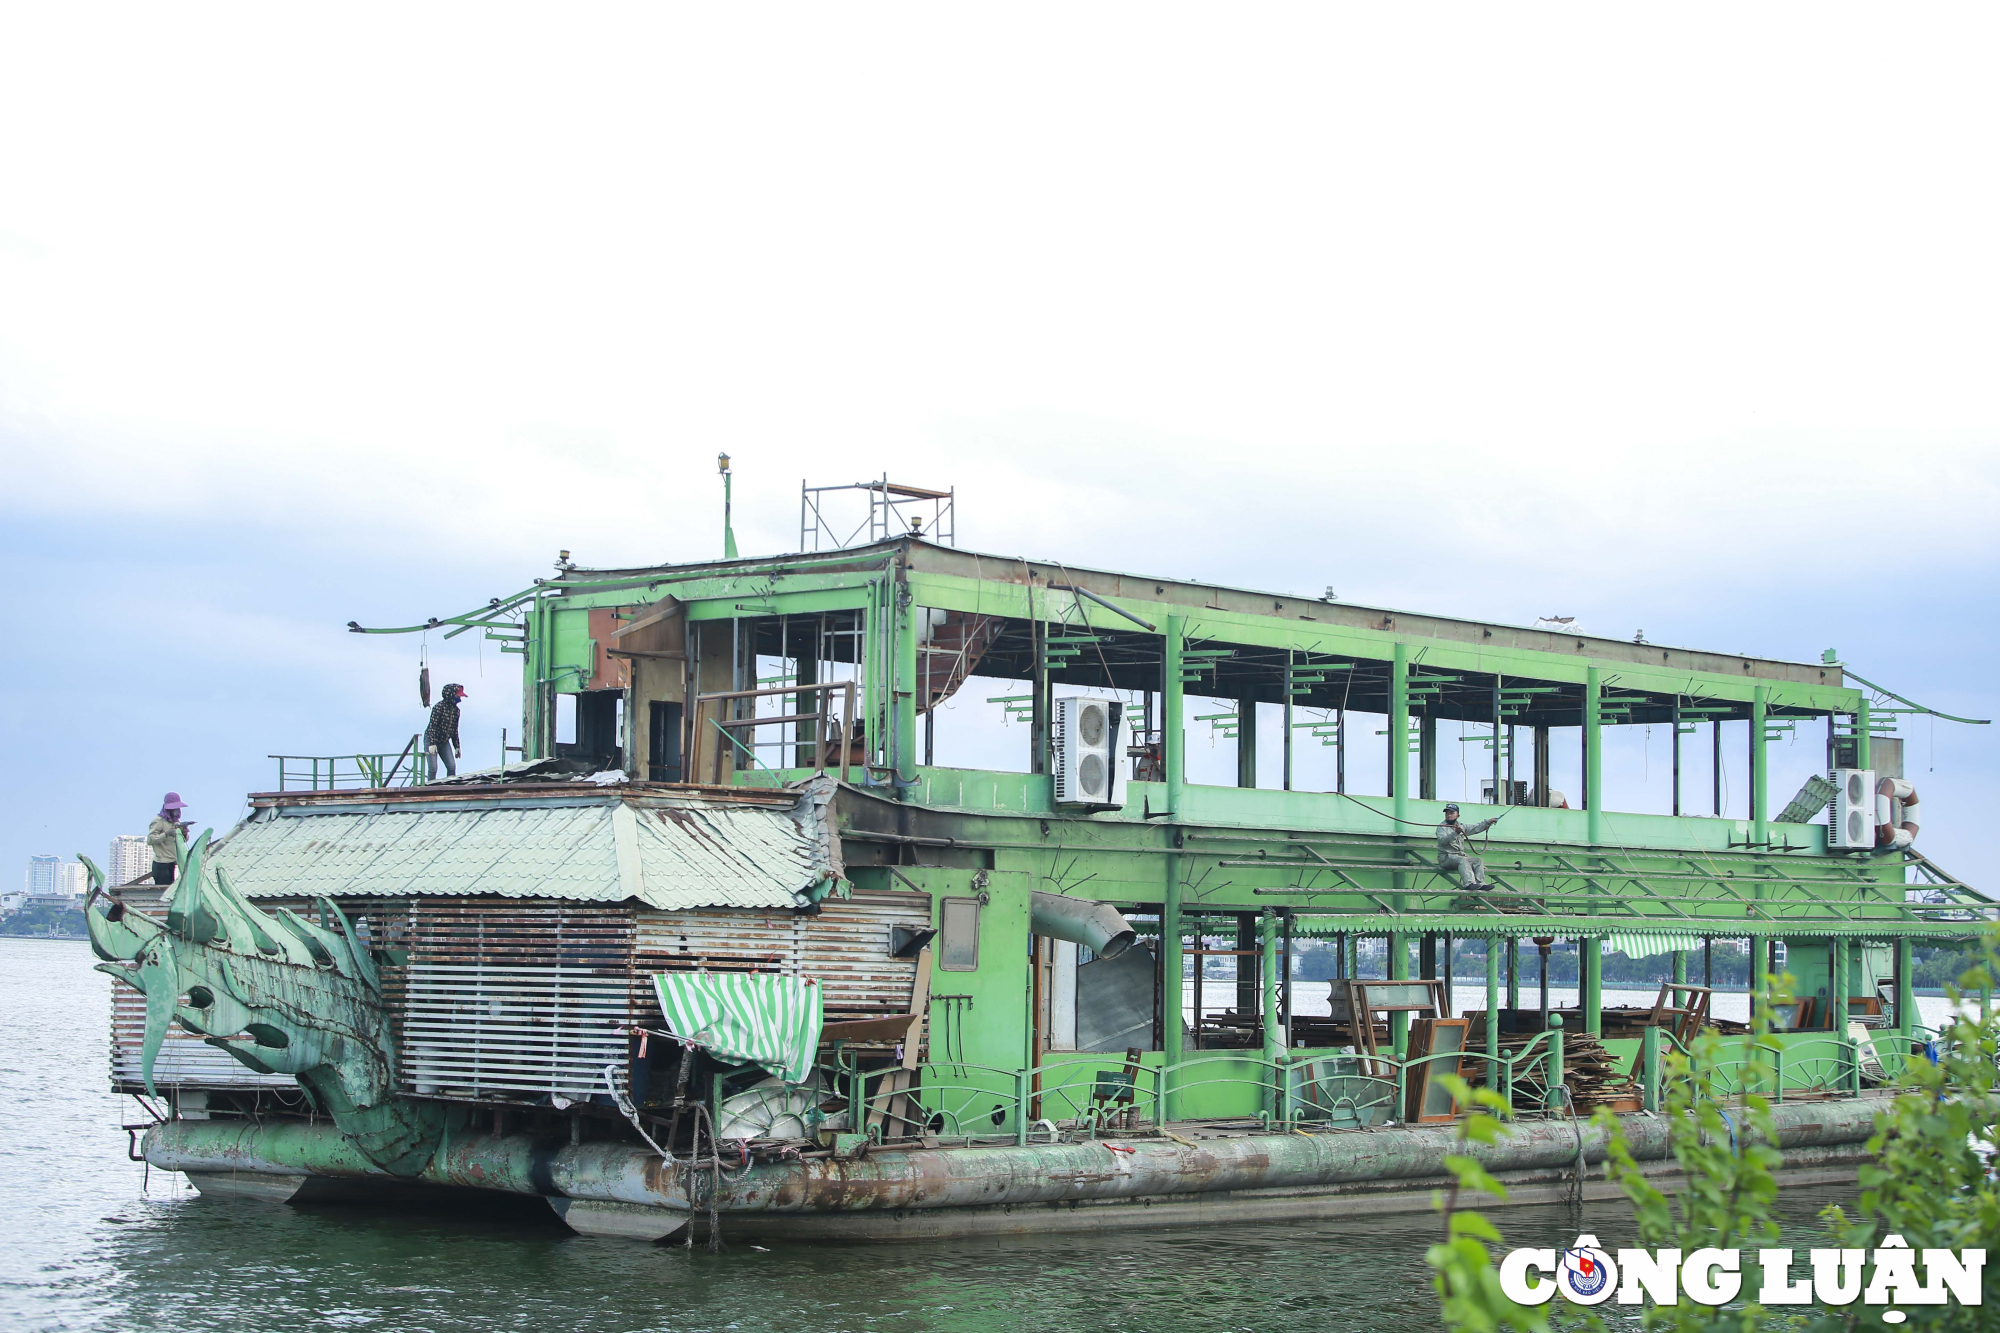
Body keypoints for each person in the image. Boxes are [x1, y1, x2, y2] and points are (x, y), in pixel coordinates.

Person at [1437, 801, 1506, 891]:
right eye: (1447, 813)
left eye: (1452, 813)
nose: (1449, 815)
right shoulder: (1441, 827)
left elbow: (1475, 827)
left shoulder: (1461, 826)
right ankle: (1469, 884)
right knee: (1463, 860)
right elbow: (1443, 841)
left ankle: (1481, 884)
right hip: (1447, 858)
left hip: (1459, 856)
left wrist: (1488, 822)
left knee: (1478, 861)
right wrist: (1455, 833)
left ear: (1458, 815)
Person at [148, 793, 190, 885]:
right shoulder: (159, 821)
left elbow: (183, 840)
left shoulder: (174, 822)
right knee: (164, 893)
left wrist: (184, 832)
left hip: (172, 862)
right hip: (161, 864)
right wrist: (167, 834)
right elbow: (150, 839)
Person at [426, 682, 466, 777]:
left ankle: (451, 787)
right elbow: (433, 726)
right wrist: (432, 743)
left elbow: (454, 730)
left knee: (451, 766)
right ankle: (430, 789)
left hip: (444, 741)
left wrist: (457, 746)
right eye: (458, 696)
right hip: (432, 739)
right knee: (433, 768)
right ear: (451, 695)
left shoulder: (456, 711)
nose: (459, 698)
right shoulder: (439, 707)